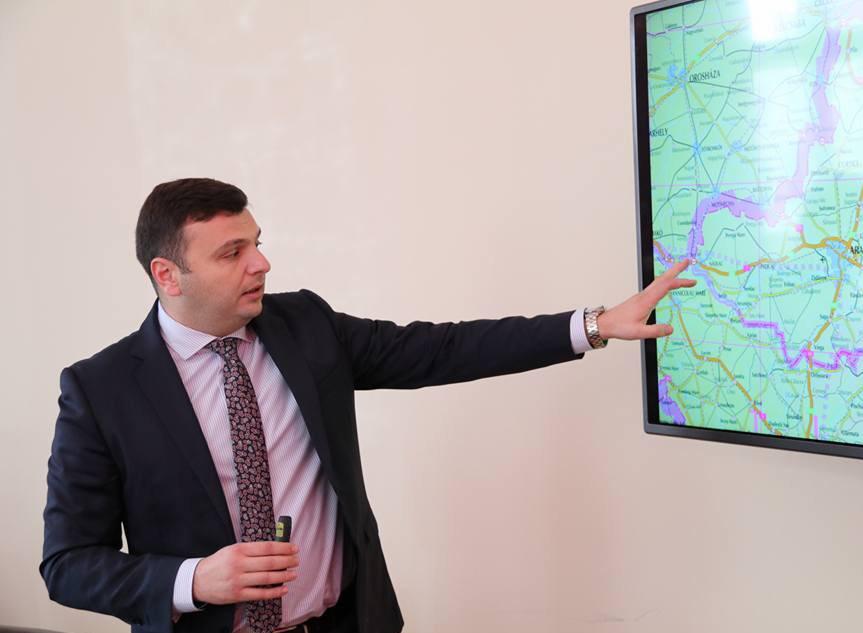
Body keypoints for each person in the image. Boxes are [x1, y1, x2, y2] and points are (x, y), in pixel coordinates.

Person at [41, 178, 696, 633]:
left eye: (257, 241)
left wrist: (594, 324)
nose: (261, 263)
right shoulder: (100, 390)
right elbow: (68, 564)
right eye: (232, 252)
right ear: (167, 275)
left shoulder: (305, 325)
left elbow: (442, 349)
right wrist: (191, 579)